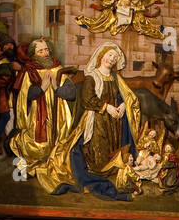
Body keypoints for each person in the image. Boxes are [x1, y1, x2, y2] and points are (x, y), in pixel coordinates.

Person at [36, 43, 142, 200]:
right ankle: (97, 171)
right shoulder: (92, 76)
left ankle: (112, 169)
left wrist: (122, 105)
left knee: (114, 146)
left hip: (114, 121)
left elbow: (122, 95)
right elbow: (87, 100)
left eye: (115, 57)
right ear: (101, 56)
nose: (111, 59)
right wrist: (106, 108)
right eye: (109, 55)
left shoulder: (114, 77)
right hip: (97, 119)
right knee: (98, 148)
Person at [10, 37, 68, 170]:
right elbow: (25, 95)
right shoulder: (29, 70)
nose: (45, 53)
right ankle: (37, 163)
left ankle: (53, 161)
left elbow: (66, 86)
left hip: (58, 107)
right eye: (40, 51)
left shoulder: (57, 67)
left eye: (46, 50)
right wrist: (42, 88)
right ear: (33, 54)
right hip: (37, 110)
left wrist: (56, 87)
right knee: (37, 139)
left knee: (59, 134)